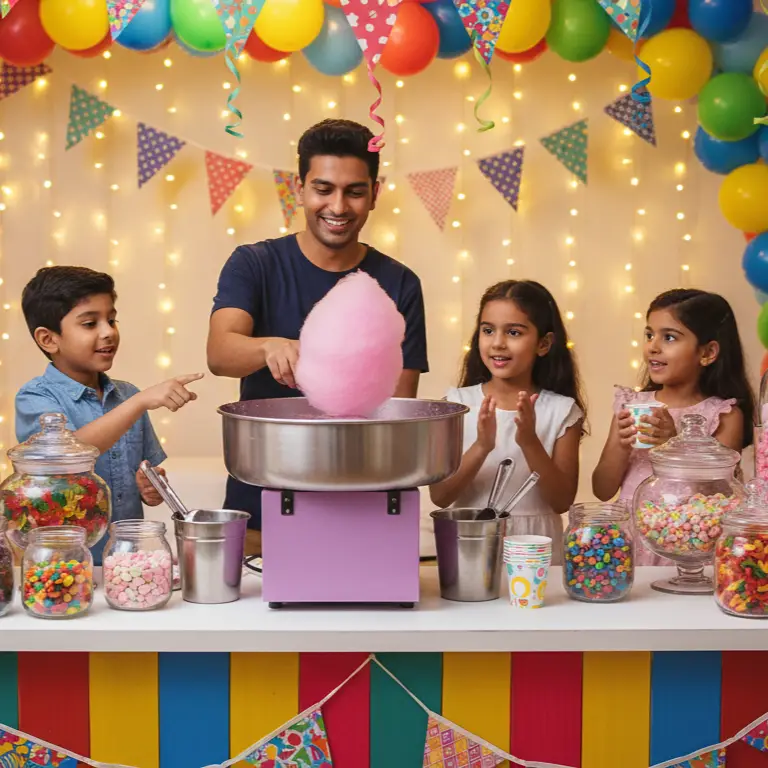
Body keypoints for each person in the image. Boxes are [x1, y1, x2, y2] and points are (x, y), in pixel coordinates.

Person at [207, 119, 429, 552]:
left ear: (375, 194)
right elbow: (220, 352)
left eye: (355, 191)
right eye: (323, 189)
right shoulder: (254, 264)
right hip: (264, 504)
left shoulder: (399, 283)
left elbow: (398, 402)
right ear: (299, 189)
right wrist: (270, 345)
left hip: (365, 506)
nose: (338, 206)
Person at [15, 266, 203, 563]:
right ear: (49, 339)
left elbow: (142, 470)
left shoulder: (128, 395)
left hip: (127, 561)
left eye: (112, 320)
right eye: (90, 323)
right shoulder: (37, 397)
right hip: (65, 565)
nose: (108, 332)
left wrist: (149, 485)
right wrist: (140, 402)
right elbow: (67, 455)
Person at [592, 288, 755, 565]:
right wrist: (619, 445)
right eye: (649, 335)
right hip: (630, 542)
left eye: (669, 337)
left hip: (687, 546)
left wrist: (675, 443)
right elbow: (602, 489)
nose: (653, 346)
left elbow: (722, 494)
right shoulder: (630, 404)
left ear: (708, 352)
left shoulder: (723, 414)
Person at [429, 280, 586, 564]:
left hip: (537, 549)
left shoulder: (562, 411)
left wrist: (529, 442)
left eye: (513, 332)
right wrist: (481, 446)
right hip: (471, 547)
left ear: (543, 344)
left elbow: (562, 501)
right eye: (488, 330)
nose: (498, 342)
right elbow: (439, 496)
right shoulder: (454, 405)